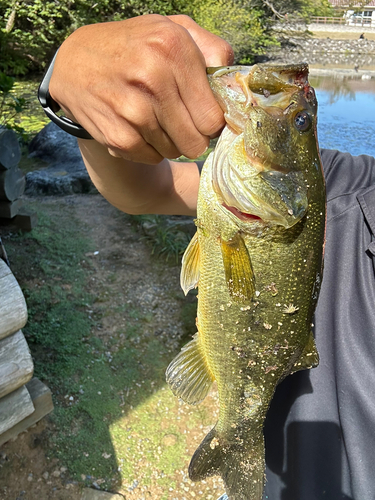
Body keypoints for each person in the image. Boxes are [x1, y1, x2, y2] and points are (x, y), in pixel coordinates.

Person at [46, 14, 375, 500]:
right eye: (303, 127)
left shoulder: (307, 194)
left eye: (300, 124)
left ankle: (236, 437)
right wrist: (71, 84)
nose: (298, 125)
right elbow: (143, 190)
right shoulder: (342, 189)